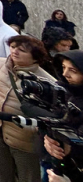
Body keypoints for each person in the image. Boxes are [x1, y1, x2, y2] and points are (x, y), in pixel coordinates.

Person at [0, 36, 52, 182]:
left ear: (35, 57)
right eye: (13, 46)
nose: (15, 51)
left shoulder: (46, 82)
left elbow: (51, 114)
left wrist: (34, 130)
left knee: (28, 177)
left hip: (24, 140)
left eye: (21, 50)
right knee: (2, 171)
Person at [43, 50, 83, 181]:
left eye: (73, 70)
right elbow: (52, 120)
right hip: (59, 164)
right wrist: (48, 140)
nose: (65, 74)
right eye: (64, 67)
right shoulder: (63, 91)